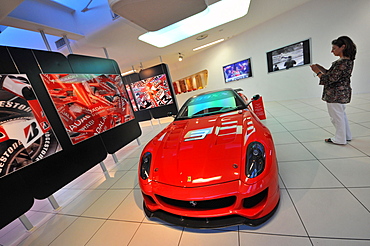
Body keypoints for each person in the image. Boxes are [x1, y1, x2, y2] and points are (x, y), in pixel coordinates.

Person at [310, 36, 357, 145]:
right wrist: (321, 68)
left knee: (336, 117)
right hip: (341, 93)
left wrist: (317, 72)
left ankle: (340, 139)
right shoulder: (346, 61)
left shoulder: (341, 63)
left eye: (334, 48)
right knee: (341, 115)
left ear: (343, 47)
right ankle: (346, 135)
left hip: (335, 94)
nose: (332, 51)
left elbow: (330, 79)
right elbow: (332, 75)